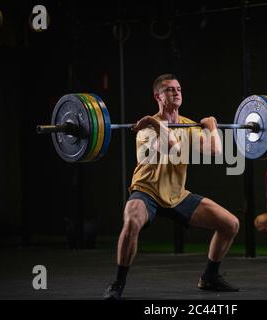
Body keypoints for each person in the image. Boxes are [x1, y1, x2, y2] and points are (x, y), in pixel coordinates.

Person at [103, 74, 240, 300]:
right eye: (169, 90)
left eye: (178, 89)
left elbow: (215, 152)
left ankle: (209, 277)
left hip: (177, 194)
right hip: (147, 190)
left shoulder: (187, 125)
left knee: (230, 224)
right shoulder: (146, 128)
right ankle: (117, 283)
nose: (176, 92)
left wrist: (212, 127)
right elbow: (174, 151)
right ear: (158, 96)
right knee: (131, 221)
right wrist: (156, 123)